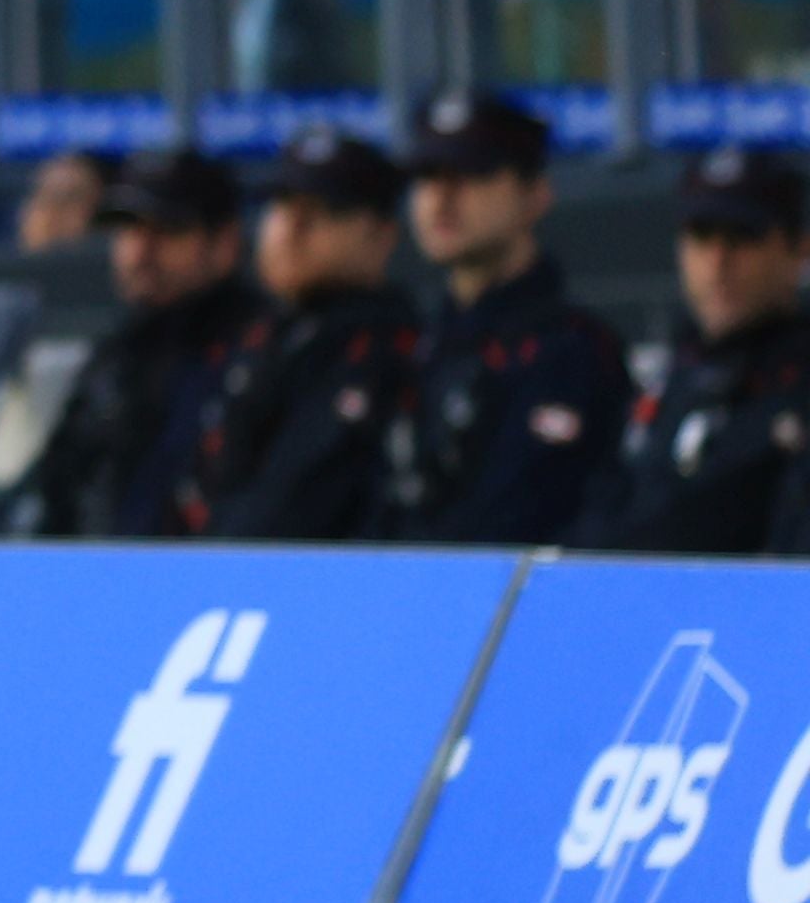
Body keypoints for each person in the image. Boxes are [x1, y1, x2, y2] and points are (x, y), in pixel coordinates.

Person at [148, 131, 428, 541]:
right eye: (282, 205)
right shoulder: (259, 337)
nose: (292, 228)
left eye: (324, 210)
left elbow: (291, 508)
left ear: (381, 235)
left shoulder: (390, 350)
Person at [382, 90, 629, 548]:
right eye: (428, 174)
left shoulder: (573, 352)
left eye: (473, 172)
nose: (442, 195)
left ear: (535, 194)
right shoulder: (415, 344)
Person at [0, 150, 260, 538]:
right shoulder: (119, 351)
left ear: (224, 243)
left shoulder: (261, 351)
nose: (139, 252)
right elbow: (54, 480)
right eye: (128, 230)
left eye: (167, 231)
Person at [579, 150, 810, 556]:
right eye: (702, 236)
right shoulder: (668, 378)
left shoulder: (795, 385)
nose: (718, 262)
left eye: (743, 237)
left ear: (797, 250)